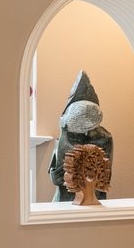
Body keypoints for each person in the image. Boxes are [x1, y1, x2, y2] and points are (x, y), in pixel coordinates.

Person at [48, 72, 113, 201]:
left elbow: (104, 178)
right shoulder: (64, 137)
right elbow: (55, 176)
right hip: (65, 201)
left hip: (94, 200)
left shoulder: (104, 138)